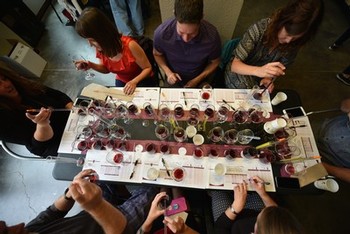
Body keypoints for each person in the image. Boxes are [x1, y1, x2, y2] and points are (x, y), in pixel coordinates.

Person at [0, 169, 159, 234]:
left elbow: (52, 213)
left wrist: (69, 194)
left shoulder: (30, 231)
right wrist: (97, 206)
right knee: (154, 184)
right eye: (8, 232)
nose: (20, 224)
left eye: (6, 224)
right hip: (115, 223)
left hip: (93, 210)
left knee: (101, 173)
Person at [224, 0, 324, 92]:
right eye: (288, 34)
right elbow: (234, 65)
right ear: (281, 22)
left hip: (259, 77)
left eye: (294, 38)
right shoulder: (259, 30)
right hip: (241, 69)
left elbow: (279, 68)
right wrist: (258, 71)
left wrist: (268, 78)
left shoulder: (295, 44)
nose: (289, 41)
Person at [75, 7, 156, 95]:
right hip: (123, 80)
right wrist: (90, 65)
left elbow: (148, 68)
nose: (90, 44)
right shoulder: (100, 48)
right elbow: (106, 69)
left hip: (141, 79)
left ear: (103, 34)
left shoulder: (130, 45)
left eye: (92, 40)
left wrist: (134, 81)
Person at [0, 66, 73, 157]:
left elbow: (58, 95)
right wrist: (43, 125)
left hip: (71, 121)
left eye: (4, 79)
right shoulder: (2, 119)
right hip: (57, 143)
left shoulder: (23, 85)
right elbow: (37, 145)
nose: (7, 84)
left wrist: (73, 109)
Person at [153, 0, 221, 88]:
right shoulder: (161, 34)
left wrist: (197, 80)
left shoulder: (212, 36)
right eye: (181, 32)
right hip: (173, 77)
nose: (186, 39)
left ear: (201, 17)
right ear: (175, 14)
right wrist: (168, 73)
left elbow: (215, 62)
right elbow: (157, 55)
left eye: (192, 33)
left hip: (200, 78)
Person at [211, 176, 303, 234]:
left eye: (261, 215)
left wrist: (235, 208)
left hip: (227, 222)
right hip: (251, 211)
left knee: (217, 188)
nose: (266, 209)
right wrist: (263, 194)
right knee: (254, 191)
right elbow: (274, 212)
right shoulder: (273, 225)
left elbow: (220, 227)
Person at [318, 98, 350, 183]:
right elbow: (344, 105)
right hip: (323, 127)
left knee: (289, 173)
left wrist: (324, 167)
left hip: (329, 160)